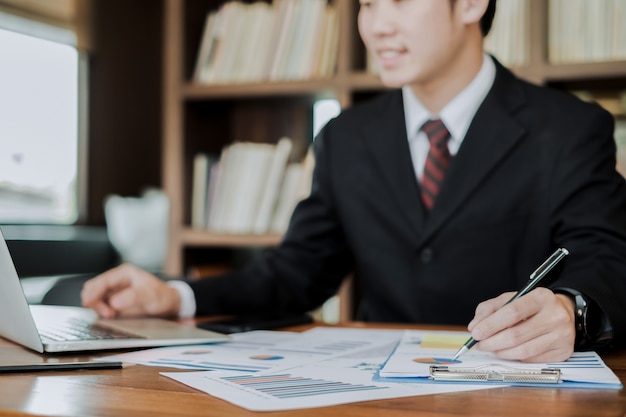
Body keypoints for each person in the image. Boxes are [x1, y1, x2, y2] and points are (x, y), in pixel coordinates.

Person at [82, 0, 626, 363]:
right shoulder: (345, 136)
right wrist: (174, 294)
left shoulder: (570, 128)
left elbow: (606, 257)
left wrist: (571, 310)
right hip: (375, 391)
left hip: (512, 386)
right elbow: (295, 273)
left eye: (399, 0)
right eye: (366, 3)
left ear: (470, 4)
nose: (376, 25)